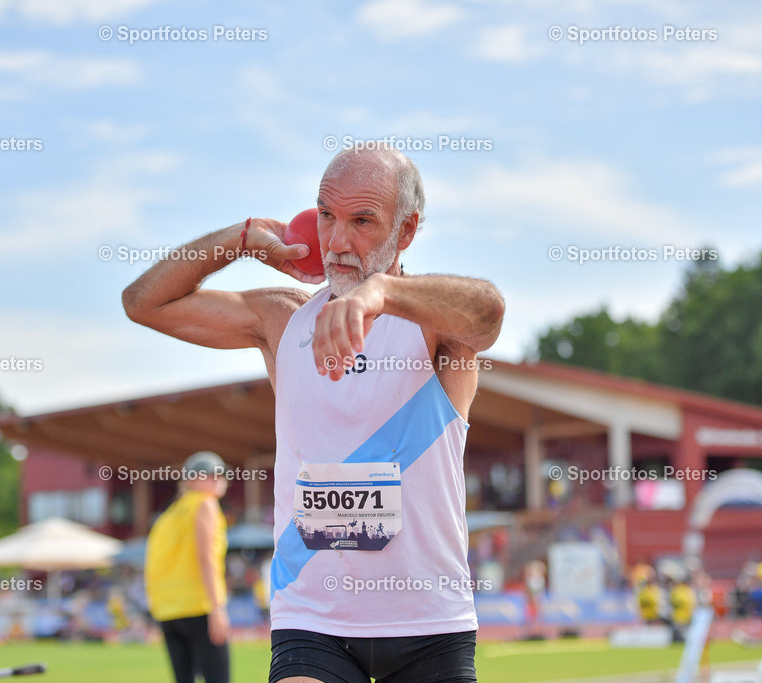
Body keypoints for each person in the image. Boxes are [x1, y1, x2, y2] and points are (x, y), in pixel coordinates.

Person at [124, 147, 505, 683]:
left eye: (362, 221)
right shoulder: (283, 319)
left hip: (428, 620)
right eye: (326, 214)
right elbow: (144, 302)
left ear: (407, 230)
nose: (337, 240)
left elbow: (489, 312)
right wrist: (242, 237)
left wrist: (381, 293)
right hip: (313, 619)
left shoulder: (436, 326)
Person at [145, 451, 231, 683]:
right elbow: (206, 559)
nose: (218, 479)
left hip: (168, 612)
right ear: (192, 480)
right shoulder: (205, 504)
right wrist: (218, 608)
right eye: (211, 474)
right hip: (198, 607)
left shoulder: (167, 515)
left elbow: (153, 563)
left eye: (221, 474)